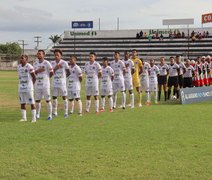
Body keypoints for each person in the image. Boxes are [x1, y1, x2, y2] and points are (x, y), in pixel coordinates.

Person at [33, 50, 53, 120]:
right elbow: (33, 73)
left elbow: (51, 72)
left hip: (45, 85)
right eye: (38, 54)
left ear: (43, 55)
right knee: (37, 100)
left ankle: (50, 115)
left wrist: (47, 78)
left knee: (48, 100)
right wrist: (38, 71)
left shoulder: (47, 63)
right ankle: (37, 114)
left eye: (40, 54)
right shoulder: (35, 64)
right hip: (37, 84)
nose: (38, 55)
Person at [51, 49, 70, 118]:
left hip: (62, 83)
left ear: (60, 56)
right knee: (54, 97)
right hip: (54, 83)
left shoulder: (64, 63)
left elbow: (68, 72)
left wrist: (63, 79)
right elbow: (51, 73)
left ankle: (66, 112)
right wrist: (55, 68)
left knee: (64, 97)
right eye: (55, 55)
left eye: (57, 55)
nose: (56, 56)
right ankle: (55, 112)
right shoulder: (52, 63)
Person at [18, 55, 36, 123]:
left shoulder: (29, 66)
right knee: (22, 102)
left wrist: (31, 85)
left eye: (22, 58)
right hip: (21, 87)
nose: (21, 59)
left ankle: (34, 118)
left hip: (28, 88)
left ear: (26, 59)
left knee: (32, 103)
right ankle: (24, 118)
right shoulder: (19, 66)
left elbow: (34, 77)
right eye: (20, 58)